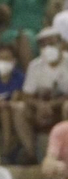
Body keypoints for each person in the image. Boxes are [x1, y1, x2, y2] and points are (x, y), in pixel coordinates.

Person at [20, 29, 68, 160]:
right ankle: (30, 153)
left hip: (61, 106)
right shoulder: (35, 66)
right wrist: (40, 105)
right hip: (41, 107)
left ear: (61, 44)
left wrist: (53, 104)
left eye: (51, 43)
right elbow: (26, 95)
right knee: (18, 108)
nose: (48, 48)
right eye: (44, 45)